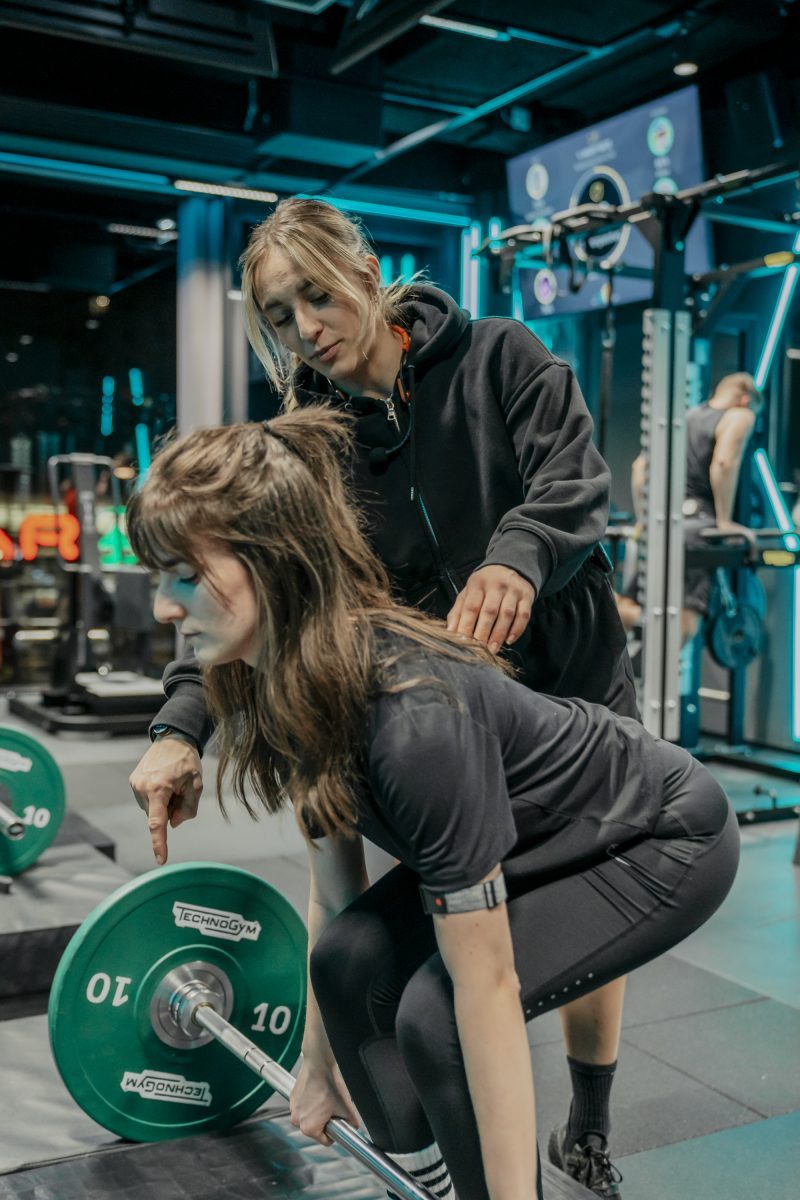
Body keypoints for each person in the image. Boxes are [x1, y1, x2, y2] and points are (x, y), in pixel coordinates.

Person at [130, 198, 638, 1196]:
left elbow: (575, 483)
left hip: (568, 688)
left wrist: (517, 559)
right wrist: (179, 726)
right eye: (280, 315)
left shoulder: (497, 356)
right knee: (431, 968)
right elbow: (254, 591)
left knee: (586, 916)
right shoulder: (311, 446)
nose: (306, 325)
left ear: (365, 269)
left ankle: (586, 1116)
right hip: (446, 719)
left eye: (316, 294)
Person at [126, 411, 739, 1200]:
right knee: (344, 964)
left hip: (659, 836)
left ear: (271, 560)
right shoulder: (288, 675)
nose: (164, 611)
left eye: (181, 575)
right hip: (537, 834)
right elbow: (335, 894)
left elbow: (483, 990)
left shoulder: (412, 719)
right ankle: (423, 1185)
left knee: (435, 1017)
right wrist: (318, 1066)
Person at [616, 372, 762, 644]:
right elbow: (723, 464)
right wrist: (725, 520)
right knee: (684, 626)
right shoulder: (740, 416)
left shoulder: (685, 417)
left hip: (666, 528)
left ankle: (620, 613)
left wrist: (644, 519)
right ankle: (653, 624)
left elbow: (639, 470)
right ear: (745, 399)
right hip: (698, 530)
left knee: (626, 605)